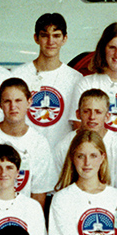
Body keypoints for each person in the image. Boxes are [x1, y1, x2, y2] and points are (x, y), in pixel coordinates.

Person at [0, 78, 56, 208]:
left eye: (18, 100)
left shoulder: (39, 143)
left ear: (29, 102)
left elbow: (38, 194)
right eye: (7, 101)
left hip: (23, 215)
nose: (13, 107)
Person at [12, 12, 83, 151]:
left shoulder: (76, 79)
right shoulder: (17, 75)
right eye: (44, 35)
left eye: (56, 35)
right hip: (24, 154)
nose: (51, 41)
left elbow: (78, 127)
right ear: (36, 38)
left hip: (60, 157)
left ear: (64, 39)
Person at [53, 89, 117, 191]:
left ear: (107, 116)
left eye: (98, 112)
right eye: (86, 111)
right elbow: (59, 189)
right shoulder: (63, 146)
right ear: (78, 114)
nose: (92, 117)